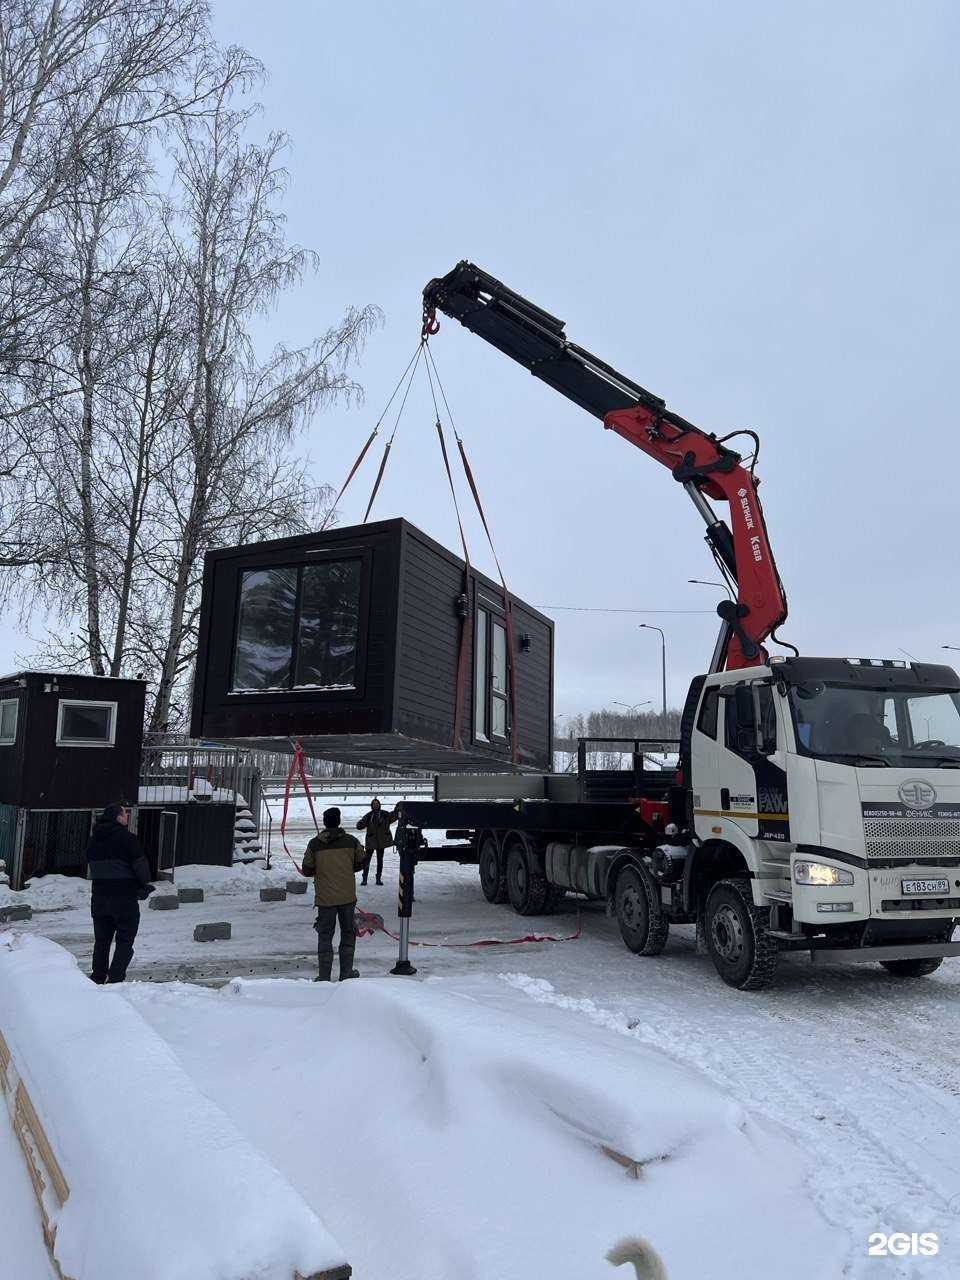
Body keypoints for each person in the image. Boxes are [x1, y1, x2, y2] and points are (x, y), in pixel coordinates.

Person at [86, 801, 154, 984]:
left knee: (102, 940)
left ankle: (98, 976)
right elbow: (141, 866)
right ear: (117, 817)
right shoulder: (127, 838)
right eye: (125, 814)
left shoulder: (93, 840)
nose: (127, 816)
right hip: (124, 898)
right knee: (125, 939)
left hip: (99, 897)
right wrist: (143, 885)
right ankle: (116, 979)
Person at [302, 806, 367, 981]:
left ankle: (324, 976)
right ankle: (346, 974)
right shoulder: (351, 841)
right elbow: (362, 862)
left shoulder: (314, 844)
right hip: (347, 897)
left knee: (325, 935)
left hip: (325, 899)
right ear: (339, 822)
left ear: (324, 822)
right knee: (348, 933)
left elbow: (306, 869)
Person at [356, 797, 398, 885]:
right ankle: (364, 879)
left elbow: (394, 816)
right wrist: (361, 823)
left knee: (380, 860)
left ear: (379, 805)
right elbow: (359, 826)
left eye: (377, 803)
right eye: (374, 804)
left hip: (381, 842)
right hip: (371, 841)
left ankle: (378, 879)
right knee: (367, 860)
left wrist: (398, 809)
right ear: (372, 806)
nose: (376, 805)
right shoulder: (369, 815)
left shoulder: (385, 814)